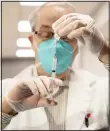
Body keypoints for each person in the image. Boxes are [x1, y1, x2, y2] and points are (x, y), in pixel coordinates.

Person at [1, 2, 109, 130]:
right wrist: (6, 109)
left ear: (78, 44)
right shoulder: (5, 90)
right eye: (46, 34)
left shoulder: (101, 89)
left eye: (67, 36)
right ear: (32, 41)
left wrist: (105, 51)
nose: (56, 44)